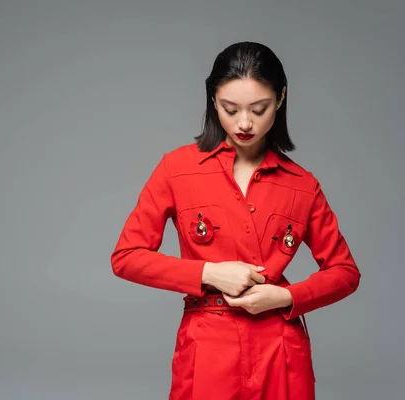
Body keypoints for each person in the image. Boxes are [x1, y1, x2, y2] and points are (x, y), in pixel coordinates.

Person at [110, 41, 361, 399]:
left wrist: (285, 297)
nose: (244, 123)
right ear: (213, 100)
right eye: (230, 109)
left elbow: (345, 272)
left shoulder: (302, 185)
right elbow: (126, 257)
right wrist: (208, 273)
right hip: (208, 347)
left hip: (280, 348)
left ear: (280, 99)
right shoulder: (176, 169)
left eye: (258, 109)